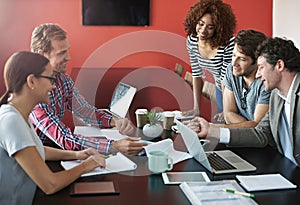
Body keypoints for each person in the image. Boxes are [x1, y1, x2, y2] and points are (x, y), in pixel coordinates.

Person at [0, 51, 106, 205]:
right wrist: (87, 165)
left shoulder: (18, 113)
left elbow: (35, 150)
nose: (54, 85)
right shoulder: (11, 120)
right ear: (31, 81)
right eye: (50, 79)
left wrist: (77, 155)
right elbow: (50, 184)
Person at [29, 23, 145, 155]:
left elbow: (86, 112)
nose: (68, 57)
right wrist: (115, 146)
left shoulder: (63, 80)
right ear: (41, 55)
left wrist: (115, 122)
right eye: (61, 53)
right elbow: (64, 139)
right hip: (35, 159)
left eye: (67, 50)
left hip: (54, 151)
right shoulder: (33, 91)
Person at [188, 37, 300, 166]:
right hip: (284, 168)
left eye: (261, 68)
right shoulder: (277, 95)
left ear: (279, 65)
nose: (257, 75)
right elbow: (261, 133)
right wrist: (212, 131)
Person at [183, 0, 236, 120]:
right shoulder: (192, 41)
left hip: (235, 89)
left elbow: (225, 77)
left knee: (229, 122)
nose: (203, 30)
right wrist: (196, 109)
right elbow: (197, 74)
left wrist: (227, 110)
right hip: (219, 87)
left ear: (218, 29)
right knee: (220, 122)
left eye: (210, 27)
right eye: (200, 24)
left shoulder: (227, 43)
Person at [220, 29, 271, 128]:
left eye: (242, 59)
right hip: (238, 135)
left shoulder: (266, 82)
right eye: (234, 55)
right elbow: (228, 114)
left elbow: (258, 126)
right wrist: (247, 125)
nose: (234, 63)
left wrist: (213, 129)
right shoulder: (231, 70)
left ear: (258, 61)